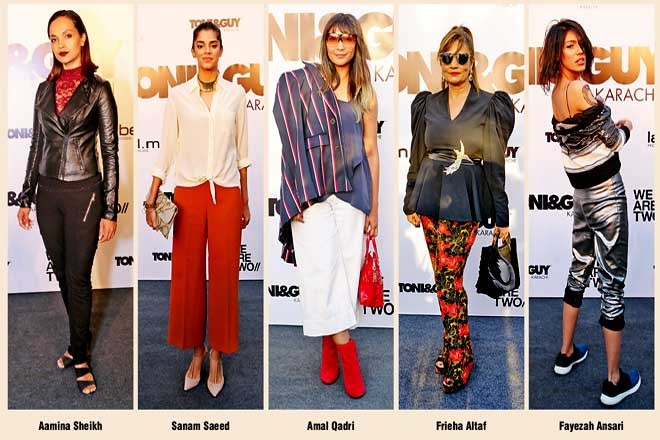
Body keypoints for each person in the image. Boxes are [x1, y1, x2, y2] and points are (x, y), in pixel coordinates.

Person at [273, 13, 380, 399]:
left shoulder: (366, 93)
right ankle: (348, 355)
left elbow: (371, 150)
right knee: (321, 272)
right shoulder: (304, 85)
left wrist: (374, 208)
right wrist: (295, 192)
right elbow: (291, 142)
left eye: (347, 38)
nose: (339, 44)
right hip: (313, 193)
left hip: (353, 195)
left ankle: (327, 345)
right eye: (333, 37)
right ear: (325, 43)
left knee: (346, 276)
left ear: (356, 44)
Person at [403, 25, 514, 393]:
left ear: (472, 62)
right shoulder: (427, 104)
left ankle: (461, 356)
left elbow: (495, 163)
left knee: (450, 281)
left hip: (465, 202)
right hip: (429, 199)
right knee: (442, 281)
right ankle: (453, 346)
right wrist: (410, 200)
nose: (454, 63)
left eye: (461, 57)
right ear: (439, 61)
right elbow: (417, 155)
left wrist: (501, 217)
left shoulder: (489, 105)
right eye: (447, 56)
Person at [145, 21, 250, 397]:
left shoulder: (236, 95)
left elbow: (242, 152)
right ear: (192, 51)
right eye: (201, 45)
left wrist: (246, 200)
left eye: (213, 44)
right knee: (188, 276)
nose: (207, 50)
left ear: (221, 50)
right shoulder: (178, 96)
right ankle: (196, 351)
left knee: (224, 276)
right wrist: (152, 195)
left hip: (226, 193)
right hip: (188, 193)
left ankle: (217, 354)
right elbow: (166, 150)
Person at [17, 10, 119, 395]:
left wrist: (110, 208)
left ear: (82, 38)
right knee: (61, 273)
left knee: (78, 276)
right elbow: (36, 146)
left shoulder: (99, 90)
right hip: (48, 194)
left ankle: (80, 355)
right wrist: (26, 195)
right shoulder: (43, 90)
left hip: (84, 194)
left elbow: (110, 152)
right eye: (54, 38)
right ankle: (79, 341)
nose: (60, 44)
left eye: (67, 35)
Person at [538, 19, 640, 406]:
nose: (579, 51)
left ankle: (566, 353)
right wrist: (626, 126)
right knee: (612, 283)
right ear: (556, 53)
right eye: (569, 46)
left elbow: (578, 143)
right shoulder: (580, 89)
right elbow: (612, 140)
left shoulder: (556, 93)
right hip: (606, 195)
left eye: (580, 44)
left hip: (581, 196)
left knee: (579, 268)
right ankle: (614, 381)